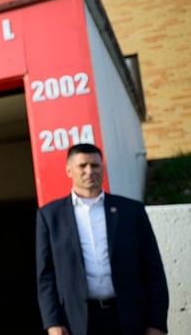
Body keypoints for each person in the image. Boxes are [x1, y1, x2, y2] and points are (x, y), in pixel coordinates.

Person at [35, 143, 169, 335]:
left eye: (95, 165)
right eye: (82, 166)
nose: (90, 171)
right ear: (69, 170)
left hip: (130, 318)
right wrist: (53, 323)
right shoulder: (50, 216)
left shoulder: (131, 211)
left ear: (102, 168)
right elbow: (45, 276)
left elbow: (153, 269)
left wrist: (157, 323)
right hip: (78, 322)